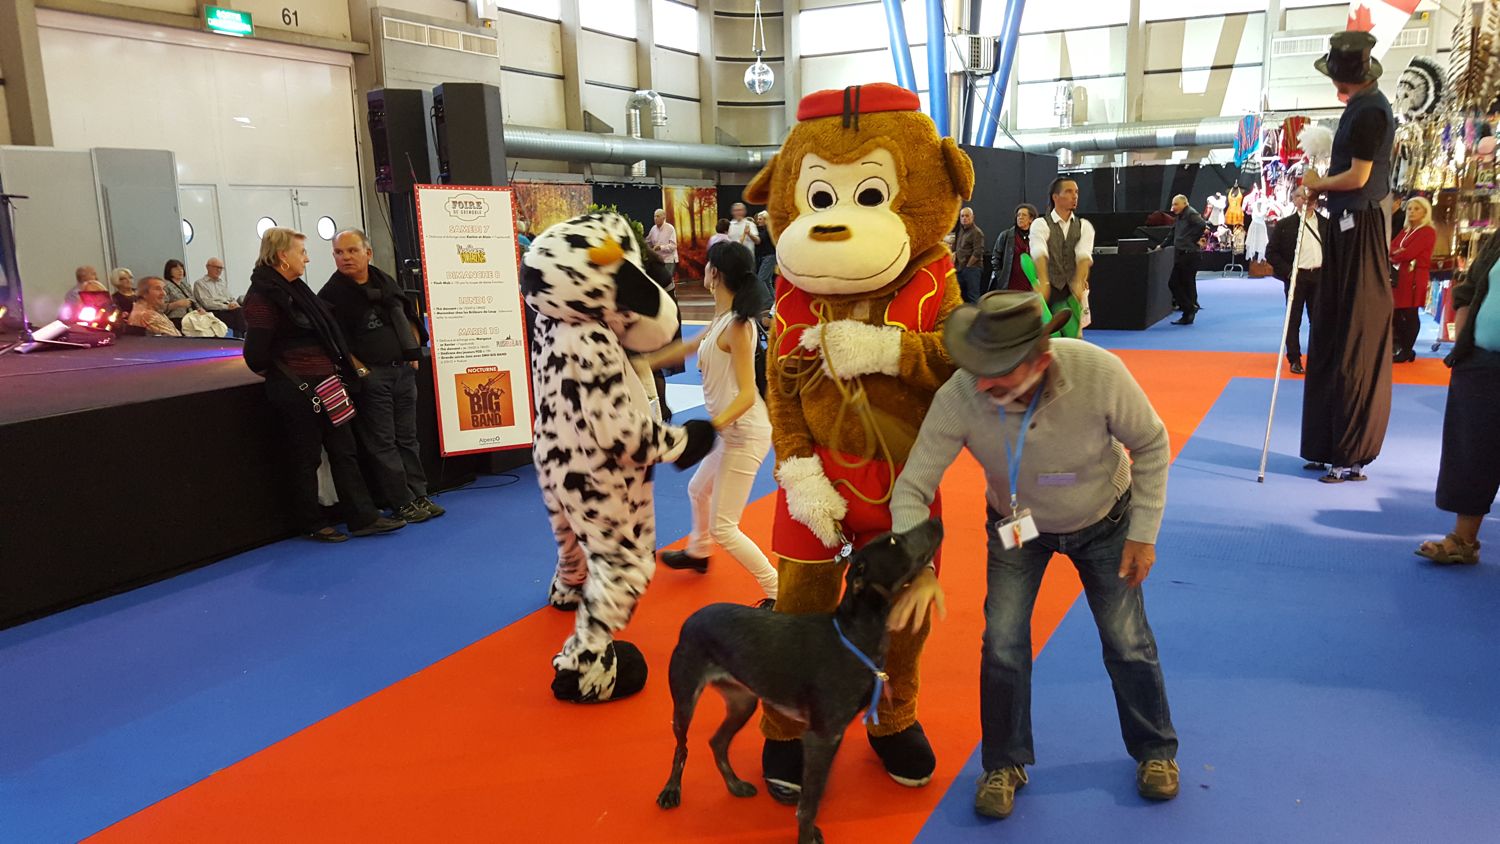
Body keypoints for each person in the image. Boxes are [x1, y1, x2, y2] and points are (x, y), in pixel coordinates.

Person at [888, 290, 1179, 819]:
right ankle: (1003, 763)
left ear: (1041, 360)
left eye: (999, 372)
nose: (983, 384)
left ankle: (1155, 750)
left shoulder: (1099, 372)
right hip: (1015, 527)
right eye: (978, 368)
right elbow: (911, 488)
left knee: (1127, 641)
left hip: (1105, 521)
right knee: (1002, 644)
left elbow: (1152, 443)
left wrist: (1144, 532)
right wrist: (918, 567)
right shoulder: (962, 393)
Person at [243, 227, 405, 542]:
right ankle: (311, 522)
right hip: (297, 389)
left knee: (345, 450)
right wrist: (292, 374)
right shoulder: (263, 297)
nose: (306, 258)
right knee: (306, 456)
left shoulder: (297, 290)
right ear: (283, 257)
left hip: (327, 384)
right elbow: (256, 355)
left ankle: (363, 517)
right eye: (301, 252)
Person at [645, 241, 777, 604]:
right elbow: (688, 348)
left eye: (706, 266)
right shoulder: (722, 319)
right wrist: (642, 363)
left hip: (744, 433)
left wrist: (711, 427)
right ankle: (699, 552)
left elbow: (747, 395)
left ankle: (778, 589)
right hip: (730, 430)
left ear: (714, 273)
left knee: (725, 526)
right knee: (697, 490)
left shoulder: (737, 326)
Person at [1301, 30, 1396, 484]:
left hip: (1360, 231)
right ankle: (1328, 443)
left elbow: (1358, 178)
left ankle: (1350, 450)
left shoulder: (1372, 111)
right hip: (1345, 227)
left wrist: (1318, 184)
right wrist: (1319, 192)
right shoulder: (1360, 108)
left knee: (1353, 338)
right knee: (1331, 333)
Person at [318, 229, 444, 525]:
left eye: (352, 251)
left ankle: (419, 493)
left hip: (402, 371)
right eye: (339, 252)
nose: (345, 257)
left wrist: (413, 351)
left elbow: (408, 317)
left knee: (408, 438)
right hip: (372, 377)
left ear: (368, 253)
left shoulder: (386, 283)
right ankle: (401, 501)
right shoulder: (331, 295)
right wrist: (362, 370)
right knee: (383, 442)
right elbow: (335, 342)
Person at [1416, 232, 1500, 566]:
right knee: (1471, 451)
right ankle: (1464, 540)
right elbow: (1468, 288)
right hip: (1480, 359)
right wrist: (1463, 336)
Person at [1266, 185, 1323, 375]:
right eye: (1301, 196)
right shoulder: (1285, 225)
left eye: (1310, 196)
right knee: (1293, 320)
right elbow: (1271, 253)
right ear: (1294, 200)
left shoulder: (1325, 223)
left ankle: (1318, 357)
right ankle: (1294, 358)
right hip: (1296, 277)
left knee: (1319, 320)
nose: (1307, 200)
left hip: (1319, 276)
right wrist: (1288, 272)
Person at [1030, 177, 1096, 329]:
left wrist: (1079, 281)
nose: (1075, 196)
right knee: (1047, 334)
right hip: (1049, 288)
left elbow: (1084, 256)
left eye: (1076, 192)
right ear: (1055, 197)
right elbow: (1039, 252)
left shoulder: (1084, 226)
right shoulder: (1040, 224)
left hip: (1072, 290)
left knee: (1074, 334)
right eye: (1069, 192)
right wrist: (1044, 282)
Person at [1390, 196, 1437, 363]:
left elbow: (1409, 253)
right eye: (1409, 209)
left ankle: (1407, 349)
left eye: (1416, 209)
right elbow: (1392, 247)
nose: (1411, 212)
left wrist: (1397, 253)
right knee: (1397, 312)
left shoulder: (1427, 231)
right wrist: (1397, 253)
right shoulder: (1406, 230)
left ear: (1425, 212)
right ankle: (1405, 348)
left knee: (1409, 313)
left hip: (1415, 277)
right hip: (1401, 275)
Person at [1167, 195, 1208, 325]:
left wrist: (1192, 239)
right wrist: (1162, 245)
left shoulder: (1190, 213)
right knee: (1185, 284)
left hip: (1188, 255)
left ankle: (1189, 309)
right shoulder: (1180, 216)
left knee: (1175, 283)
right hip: (1183, 254)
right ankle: (1189, 312)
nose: (1173, 207)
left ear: (1184, 203)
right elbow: (1173, 233)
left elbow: (1202, 224)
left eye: (1176, 204)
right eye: (1173, 204)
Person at [989, 204, 1039, 295]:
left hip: (1029, 286)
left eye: (1024, 215)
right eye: (1018, 215)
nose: (1020, 217)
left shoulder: (1036, 237)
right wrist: (1000, 276)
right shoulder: (1006, 236)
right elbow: (995, 258)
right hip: (1009, 285)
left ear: (1031, 219)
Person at [193, 257, 246, 337]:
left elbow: (231, 298)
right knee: (238, 318)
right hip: (213, 311)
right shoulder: (200, 283)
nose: (219, 270)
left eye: (221, 268)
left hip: (228, 310)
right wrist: (227, 307)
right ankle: (245, 336)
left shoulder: (221, 283)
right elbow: (206, 303)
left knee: (242, 311)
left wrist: (234, 304)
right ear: (208, 267)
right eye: (216, 267)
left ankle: (242, 337)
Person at [954, 206, 986, 303]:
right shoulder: (960, 231)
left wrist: (968, 266)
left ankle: (976, 313)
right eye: (962, 216)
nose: (964, 218)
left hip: (972, 269)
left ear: (972, 217)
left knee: (973, 297)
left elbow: (978, 252)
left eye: (967, 216)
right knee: (958, 296)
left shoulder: (977, 232)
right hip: (959, 269)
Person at [161, 259, 203, 329]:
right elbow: (161, 308)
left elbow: (193, 300)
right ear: (169, 271)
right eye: (176, 269)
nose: (180, 271)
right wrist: (177, 304)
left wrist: (199, 309)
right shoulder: (165, 286)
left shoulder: (186, 285)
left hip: (192, 318)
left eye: (181, 268)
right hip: (176, 320)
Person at [646, 208, 679, 285]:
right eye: (654, 216)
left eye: (658, 216)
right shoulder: (653, 229)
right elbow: (648, 242)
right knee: (659, 282)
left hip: (668, 260)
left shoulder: (670, 228)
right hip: (658, 260)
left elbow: (673, 246)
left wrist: (660, 247)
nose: (655, 218)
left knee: (666, 282)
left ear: (664, 217)